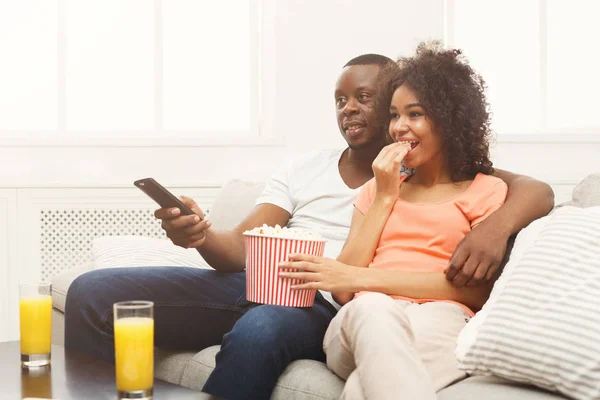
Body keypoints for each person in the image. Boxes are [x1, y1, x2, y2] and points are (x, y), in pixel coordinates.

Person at [64, 52, 553, 400]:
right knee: (90, 292)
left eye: (368, 98)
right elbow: (247, 247)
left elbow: (522, 190)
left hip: (317, 302)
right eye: (340, 99)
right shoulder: (317, 173)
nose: (351, 109)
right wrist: (201, 233)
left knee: (267, 327)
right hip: (281, 286)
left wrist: (495, 228)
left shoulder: (465, 181)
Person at [279, 42, 520, 399]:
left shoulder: (487, 192)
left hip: (441, 317)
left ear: (450, 121)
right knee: (374, 308)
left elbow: (475, 291)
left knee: (368, 383)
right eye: (394, 115)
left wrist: (363, 278)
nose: (399, 128)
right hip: (359, 320)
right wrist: (386, 195)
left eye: (415, 114)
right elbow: (344, 289)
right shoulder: (375, 190)